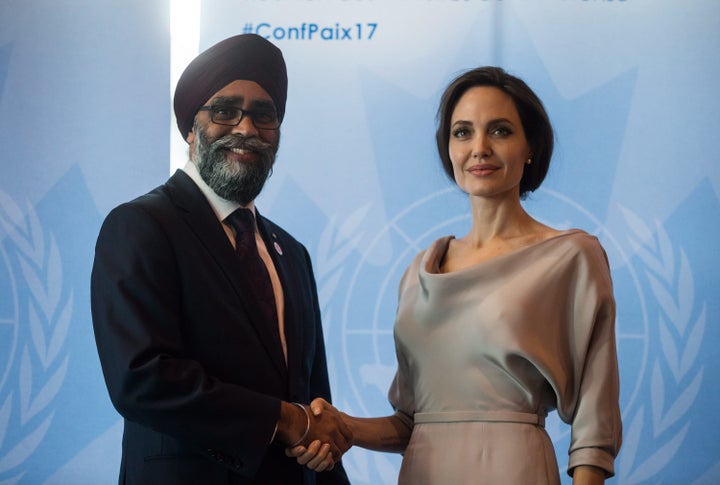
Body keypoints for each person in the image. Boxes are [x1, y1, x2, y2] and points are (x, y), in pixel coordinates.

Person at [290, 66, 622, 484]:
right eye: (462, 132)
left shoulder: (572, 256)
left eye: (500, 131)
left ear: (531, 146)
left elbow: (595, 419)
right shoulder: (419, 270)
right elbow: (412, 422)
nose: (479, 148)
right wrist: (344, 426)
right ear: (448, 148)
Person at [90, 33, 351, 484]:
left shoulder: (292, 254)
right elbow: (143, 378)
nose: (246, 129)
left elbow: (314, 406)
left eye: (263, 115)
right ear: (190, 128)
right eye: (224, 111)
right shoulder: (141, 226)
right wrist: (285, 421)